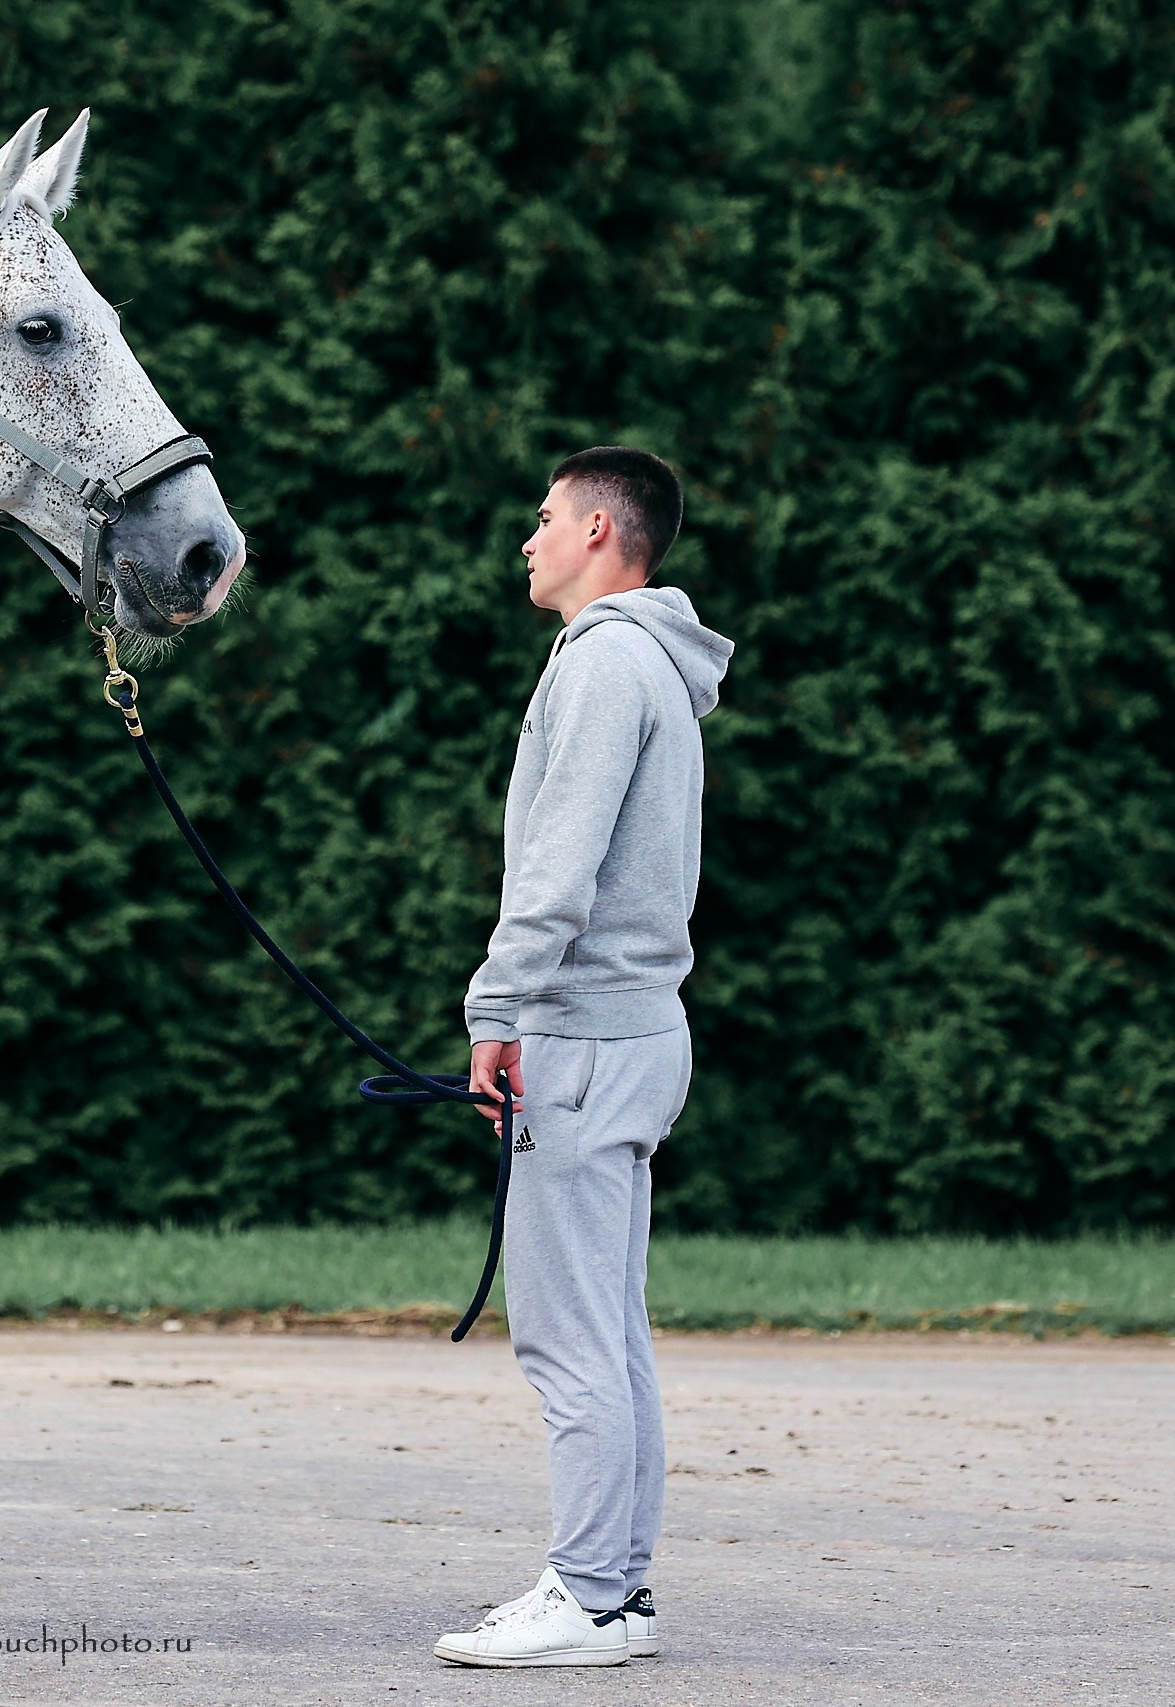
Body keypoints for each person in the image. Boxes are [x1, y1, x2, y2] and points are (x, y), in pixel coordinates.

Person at [432, 447, 733, 1669]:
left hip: (579, 1038)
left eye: (544, 518)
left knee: (567, 1339)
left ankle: (593, 1599)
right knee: (610, 1331)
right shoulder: (648, 663)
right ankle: (615, 1590)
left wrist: (492, 1011)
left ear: (601, 530)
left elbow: (555, 871)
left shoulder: (604, 665)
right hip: (634, 1033)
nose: (528, 538)